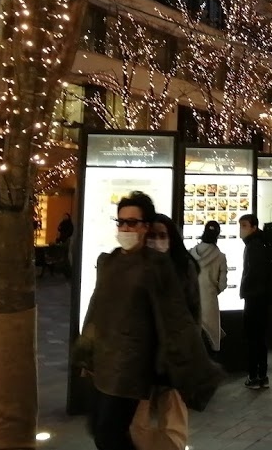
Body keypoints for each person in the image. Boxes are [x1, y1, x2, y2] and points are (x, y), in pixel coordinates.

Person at [73, 192, 219, 450]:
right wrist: (87, 352)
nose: (125, 228)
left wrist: (187, 365)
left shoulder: (157, 266)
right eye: (121, 222)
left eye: (132, 222)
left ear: (145, 226)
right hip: (105, 363)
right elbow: (97, 311)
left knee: (109, 434)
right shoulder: (110, 261)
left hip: (131, 367)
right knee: (100, 430)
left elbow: (176, 318)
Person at [131, 213, 201, 450]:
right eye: (152, 235)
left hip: (173, 356)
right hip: (140, 356)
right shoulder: (135, 267)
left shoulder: (184, 268)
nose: (157, 240)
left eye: (163, 235)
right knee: (136, 422)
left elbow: (193, 313)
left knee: (173, 422)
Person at [239, 214, 272, 391]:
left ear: (254, 227)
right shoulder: (260, 243)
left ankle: (253, 376)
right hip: (261, 297)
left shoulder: (253, 246)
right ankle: (262, 375)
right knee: (260, 338)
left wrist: (245, 289)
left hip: (254, 298)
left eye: (244, 226)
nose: (241, 229)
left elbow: (253, 272)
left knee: (253, 338)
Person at [190, 220, 228, 355]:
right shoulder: (220, 257)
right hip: (210, 302)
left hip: (193, 300)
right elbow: (223, 284)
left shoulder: (191, 253)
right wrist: (213, 291)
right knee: (211, 338)